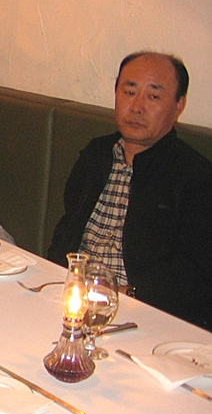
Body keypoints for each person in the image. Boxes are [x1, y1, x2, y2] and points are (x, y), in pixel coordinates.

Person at [48, 51, 212, 329]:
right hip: (70, 298)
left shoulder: (195, 177)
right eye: (129, 92)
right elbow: (67, 228)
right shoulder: (97, 154)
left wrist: (126, 294)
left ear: (178, 105)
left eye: (153, 96)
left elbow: (195, 275)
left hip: (144, 314)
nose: (136, 107)